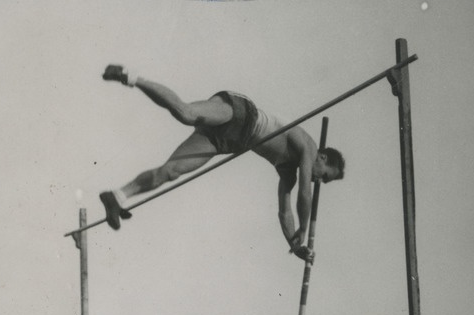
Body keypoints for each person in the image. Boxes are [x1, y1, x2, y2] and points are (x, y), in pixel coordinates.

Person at [99, 66, 345, 262]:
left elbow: (284, 211)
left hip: (232, 142)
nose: (319, 180)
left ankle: (118, 196)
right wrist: (304, 228)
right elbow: (305, 193)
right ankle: (129, 76)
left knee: (171, 172)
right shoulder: (308, 148)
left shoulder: (289, 172)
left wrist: (296, 244)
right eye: (325, 176)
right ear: (323, 158)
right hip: (242, 114)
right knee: (186, 113)